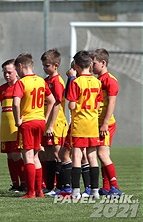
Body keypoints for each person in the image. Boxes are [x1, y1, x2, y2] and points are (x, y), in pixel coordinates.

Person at [12, 52, 56, 198]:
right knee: (36, 156)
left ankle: (30, 192)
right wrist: (45, 117)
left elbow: (16, 103)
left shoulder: (21, 82)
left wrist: (18, 120)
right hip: (40, 122)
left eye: (16, 69)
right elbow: (52, 100)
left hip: (28, 123)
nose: (17, 73)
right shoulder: (41, 81)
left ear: (20, 66)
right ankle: (39, 191)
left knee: (28, 157)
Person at [66, 50, 103, 199]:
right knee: (92, 156)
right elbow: (99, 103)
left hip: (80, 124)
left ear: (76, 65)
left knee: (76, 155)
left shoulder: (76, 82)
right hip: (92, 124)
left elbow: (72, 105)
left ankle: (75, 191)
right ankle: (95, 191)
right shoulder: (97, 82)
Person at [91, 48, 121, 197]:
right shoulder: (97, 80)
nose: (91, 66)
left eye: (94, 63)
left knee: (103, 154)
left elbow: (112, 103)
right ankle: (107, 187)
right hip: (97, 122)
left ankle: (115, 187)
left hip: (106, 123)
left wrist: (105, 123)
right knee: (101, 154)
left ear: (103, 63)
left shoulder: (110, 80)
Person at [39, 49, 68, 196]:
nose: (44, 68)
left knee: (58, 155)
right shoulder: (46, 81)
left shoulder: (57, 81)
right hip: (46, 123)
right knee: (48, 155)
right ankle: (50, 186)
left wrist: (50, 124)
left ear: (56, 65)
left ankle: (61, 187)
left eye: (47, 65)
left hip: (56, 124)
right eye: (43, 65)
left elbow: (57, 104)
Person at [0, 59, 25, 192]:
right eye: (4, 72)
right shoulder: (2, 88)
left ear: (16, 71)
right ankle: (15, 184)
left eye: (9, 72)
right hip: (5, 128)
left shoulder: (21, 85)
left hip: (16, 127)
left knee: (16, 155)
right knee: (9, 156)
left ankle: (24, 182)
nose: (7, 75)